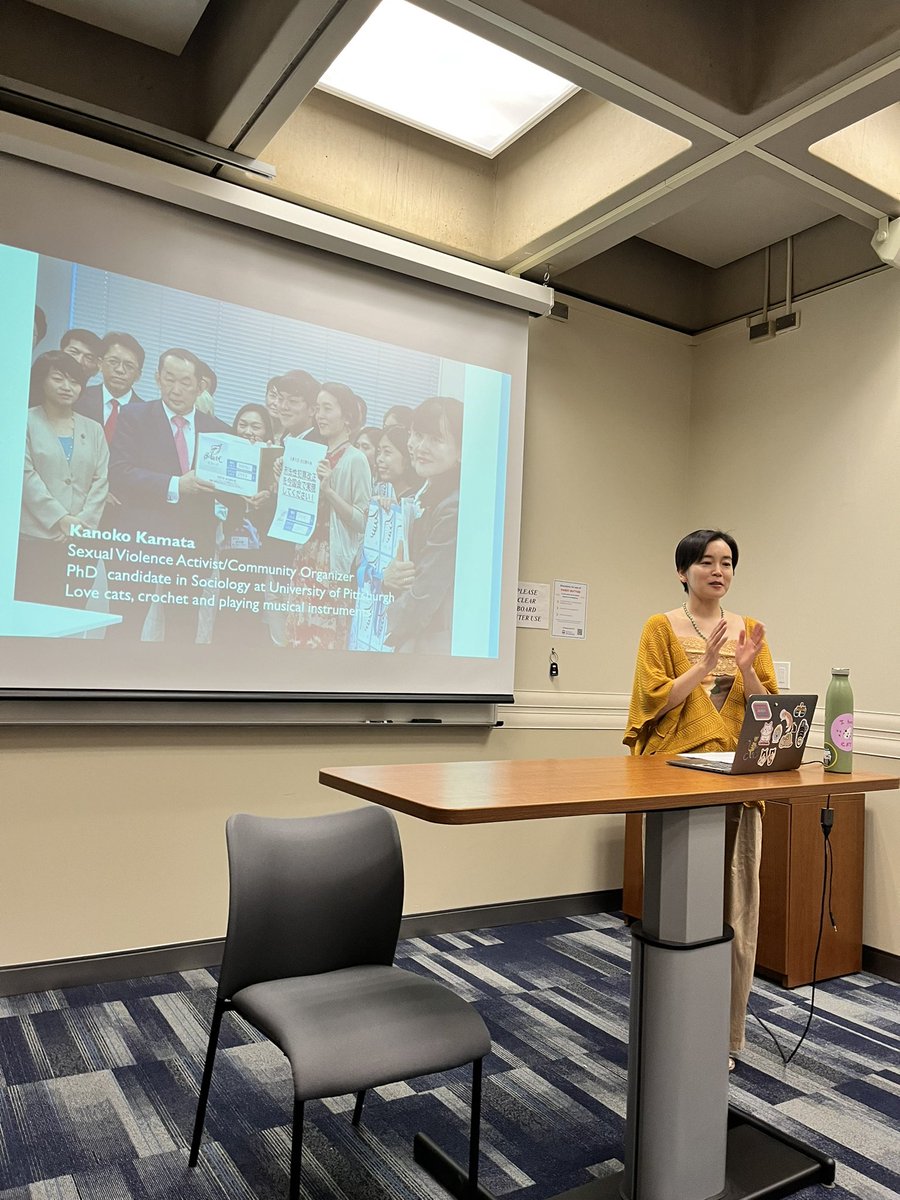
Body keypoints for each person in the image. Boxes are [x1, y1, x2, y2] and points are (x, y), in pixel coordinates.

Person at [623, 529, 777, 1068]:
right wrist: (704, 667)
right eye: (706, 561)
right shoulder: (660, 627)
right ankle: (670, 1030)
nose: (718, 571)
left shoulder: (750, 630)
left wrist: (747, 668)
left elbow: (769, 713)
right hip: (676, 782)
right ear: (682, 571)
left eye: (727, 562)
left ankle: (725, 1036)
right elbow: (652, 703)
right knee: (679, 912)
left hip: (738, 781)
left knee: (737, 907)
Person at [109, 347, 232, 640]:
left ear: (200, 387)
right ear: (157, 378)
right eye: (169, 379)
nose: (176, 390)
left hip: (193, 545)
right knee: (124, 627)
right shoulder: (134, 416)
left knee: (182, 631)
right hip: (141, 540)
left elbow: (228, 489)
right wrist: (176, 485)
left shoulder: (218, 431)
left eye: (185, 382)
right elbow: (120, 472)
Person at [16, 352, 108, 607]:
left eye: (74, 381)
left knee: (71, 614)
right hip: (35, 538)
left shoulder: (94, 429)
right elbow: (25, 476)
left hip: (81, 541)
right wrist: (60, 519)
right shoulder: (24, 420)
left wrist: (80, 525)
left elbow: (101, 481)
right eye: (58, 379)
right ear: (41, 381)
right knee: (31, 613)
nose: (67, 387)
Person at [287, 382, 371, 650]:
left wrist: (330, 492)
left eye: (327, 409)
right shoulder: (315, 453)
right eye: (318, 409)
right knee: (299, 637)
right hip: (305, 553)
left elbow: (362, 520)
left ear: (347, 417)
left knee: (324, 641)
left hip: (332, 561)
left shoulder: (356, 459)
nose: (319, 416)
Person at [383, 396, 462, 654]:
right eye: (417, 435)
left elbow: (426, 591)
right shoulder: (428, 490)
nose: (420, 447)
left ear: (461, 450)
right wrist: (392, 577)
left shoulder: (453, 505)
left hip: (430, 642)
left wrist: (387, 621)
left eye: (436, 439)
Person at [77, 332, 145, 436]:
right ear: (100, 364)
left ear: (138, 375)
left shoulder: (145, 414)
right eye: (113, 362)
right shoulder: (79, 398)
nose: (120, 370)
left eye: (129, 366)